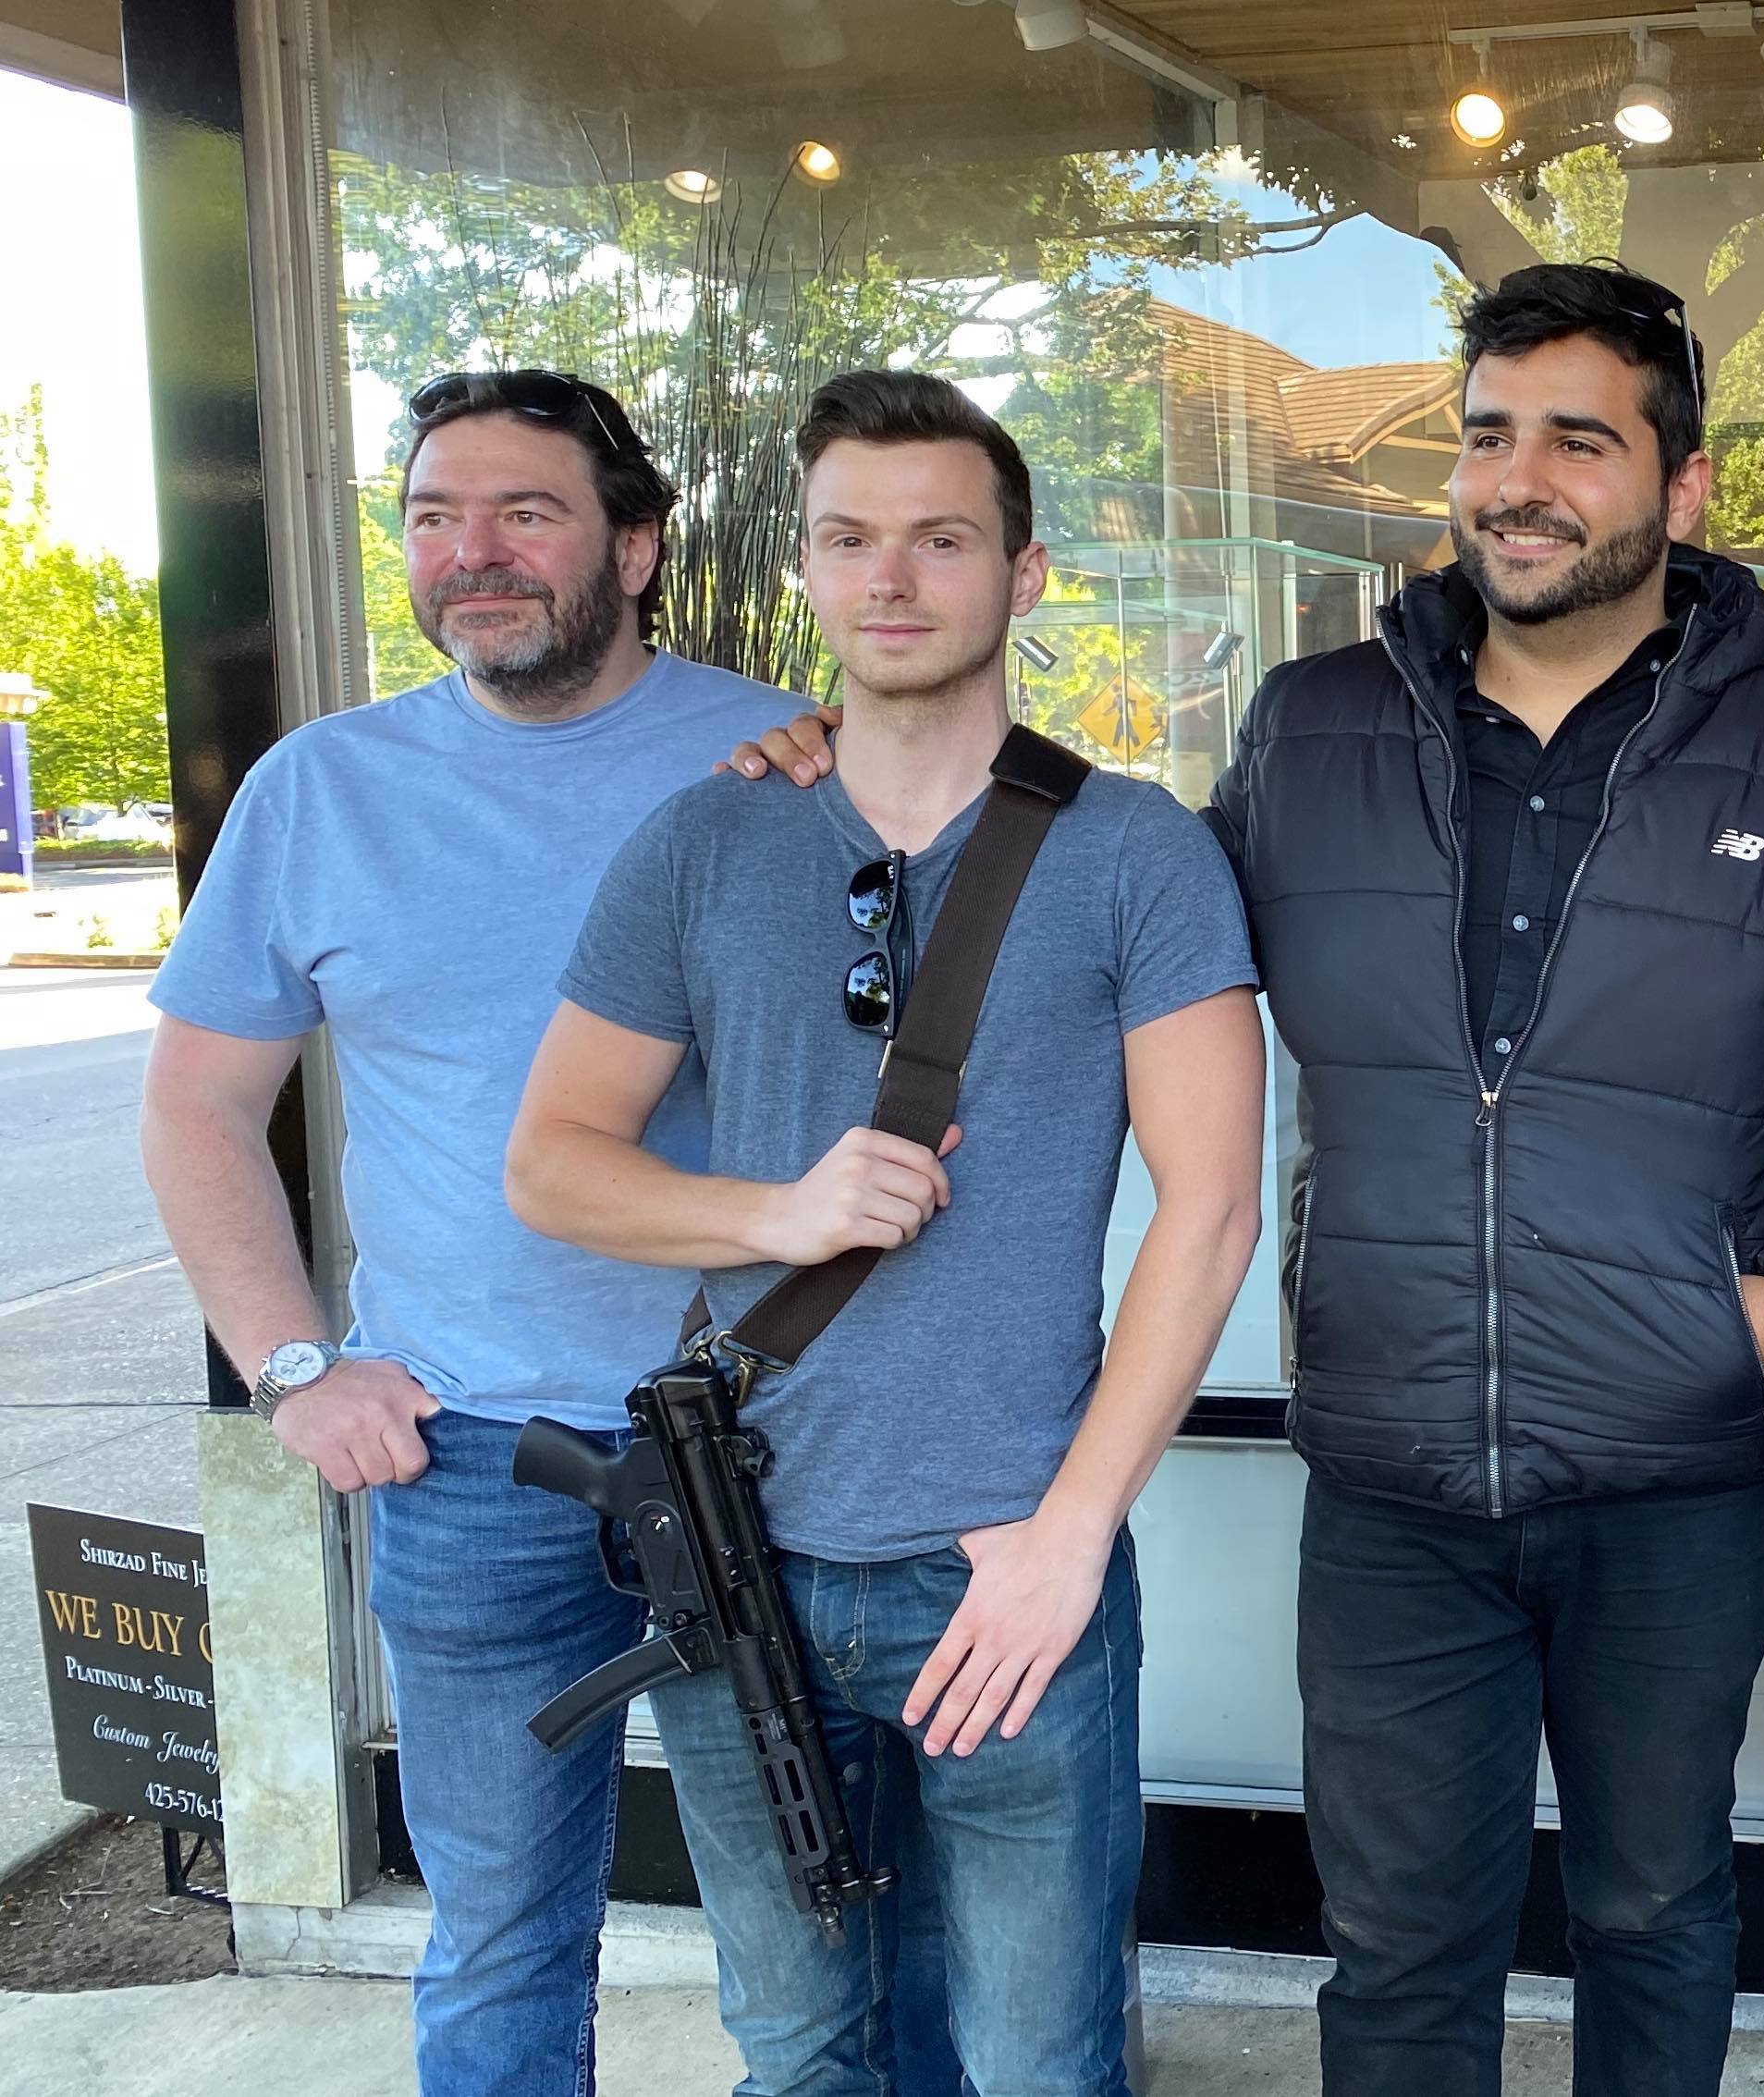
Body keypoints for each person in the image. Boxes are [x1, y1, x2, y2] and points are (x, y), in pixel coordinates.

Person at [726, 264, 1764, 2097]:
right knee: (1398, 1948)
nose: (1519, 478)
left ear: (1683, 488)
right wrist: (856, 755)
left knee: (1655, 1910)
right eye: (1488, 436)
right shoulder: (1316, 727)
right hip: (1394, 1468)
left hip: (1682, 1461)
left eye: (1581, 436)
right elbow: (1126, 926)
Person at [137, 370, 955, 2095]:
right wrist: (296, 1369)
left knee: (821, 1933)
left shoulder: (794, 754)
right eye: (434, 514)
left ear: (636, 545)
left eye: (526, 512)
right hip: (471, 1465)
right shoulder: (321, 791)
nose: (473, 553)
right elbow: (201, 1107)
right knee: (500, 1941)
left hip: (769, 1450)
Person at [505, 369, 1266, 2096]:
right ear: (806, 570)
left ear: (1026, 571)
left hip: (1003, 1563)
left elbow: (1211, 1212)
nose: (894, 578)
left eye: (941, 538)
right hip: (740, 1550)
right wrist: (778, 1209)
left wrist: (1072, 1534)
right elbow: (554, 1161)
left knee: (1035, 2061)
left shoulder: (1138, 852)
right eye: (849, 539)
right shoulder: (707, 838)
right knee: (795, 2050)